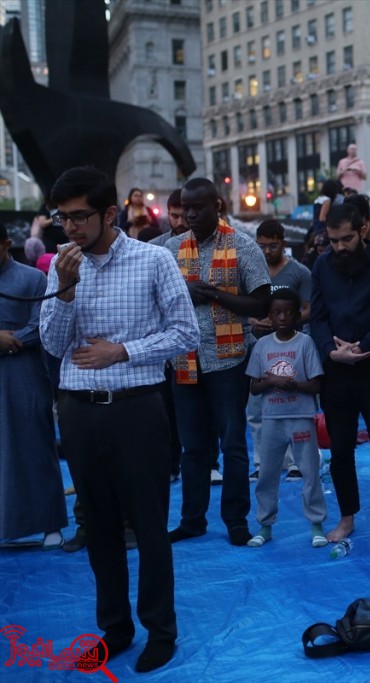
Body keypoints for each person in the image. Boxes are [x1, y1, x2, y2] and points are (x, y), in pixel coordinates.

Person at [40, 166, 199, 673]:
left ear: (109, 213)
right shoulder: (62, 266)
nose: (71, 227)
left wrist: (122, 351)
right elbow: (52, 344)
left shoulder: (154, 260)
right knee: (99, 525)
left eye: (79, 217)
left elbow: (186, 332)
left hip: (137, 408)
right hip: (79, 411)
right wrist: (65, 291)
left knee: (149, 525)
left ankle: (160, 631)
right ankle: (115, 629)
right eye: (63, 218)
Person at [164, 177, 271, 546]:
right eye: (186, 208)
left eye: (198, 207)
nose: (190, 215)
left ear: (217, 207)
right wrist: (185, 291)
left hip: (229, 361)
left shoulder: (243, 246)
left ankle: (236, 520)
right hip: (184, 361)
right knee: (193, 448)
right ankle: (192, 520)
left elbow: (262, 304)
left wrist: (212, 294)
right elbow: (158, 298)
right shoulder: (170, 248)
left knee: (233, 445)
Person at [311, 203, 370, 545]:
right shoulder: (322, 265)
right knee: (340, 450)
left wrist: (364, 346)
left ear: (363, 231)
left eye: (346, 239)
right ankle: (346, 517)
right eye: (333, 240)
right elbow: (318, 317)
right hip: (336, 371)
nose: (339, 247)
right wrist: (330, 351)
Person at [0, 221, 67, 549]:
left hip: (23, 369)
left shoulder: (32, 278)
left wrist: (9, 341)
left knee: (35, 444)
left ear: (6, 244)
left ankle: (49, 523)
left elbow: (42, 323)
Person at [245, 288, 327, 548]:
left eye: (289, 312)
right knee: (267, 475)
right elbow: (254, 387)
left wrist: (293, 385)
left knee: (310, 473)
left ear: (298, 315)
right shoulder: (262, 346)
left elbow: (316, 384)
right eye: (277, 312)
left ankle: (316, 524)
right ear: (269, 316)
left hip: (301, 417)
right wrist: (271, 381)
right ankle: (265, 525)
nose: (282, 317)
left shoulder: (305, 343)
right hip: (271, 419)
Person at [247, 219, 312, 482]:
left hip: (292, 346)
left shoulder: (300, 272)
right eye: (261, 245)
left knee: (295, 404)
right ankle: (262, 462)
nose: (266, 251)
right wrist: (253, 320)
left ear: (283, 244)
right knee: (257, 409)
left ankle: (297, 461)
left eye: (272, 246)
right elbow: (243, 305)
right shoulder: (251, 269)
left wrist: (284, 321)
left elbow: (309, 308)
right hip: (258, 347)